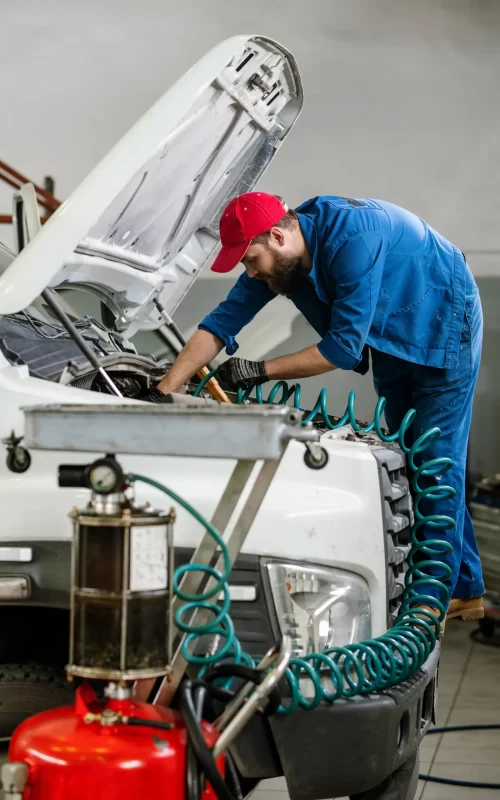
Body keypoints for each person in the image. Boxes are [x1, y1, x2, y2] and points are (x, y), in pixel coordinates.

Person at [145, 191, 485, 628]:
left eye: (250, 260)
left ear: (276, 236)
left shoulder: (350, 241)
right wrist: (163, 390)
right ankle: (465, 587)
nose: (250, 273)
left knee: (436, 463)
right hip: (395, 336)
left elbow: (342, 350)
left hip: (445, 318)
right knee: (413, 455)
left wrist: (258, 369)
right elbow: (220, 324)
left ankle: (427, 606)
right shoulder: (276, 258)